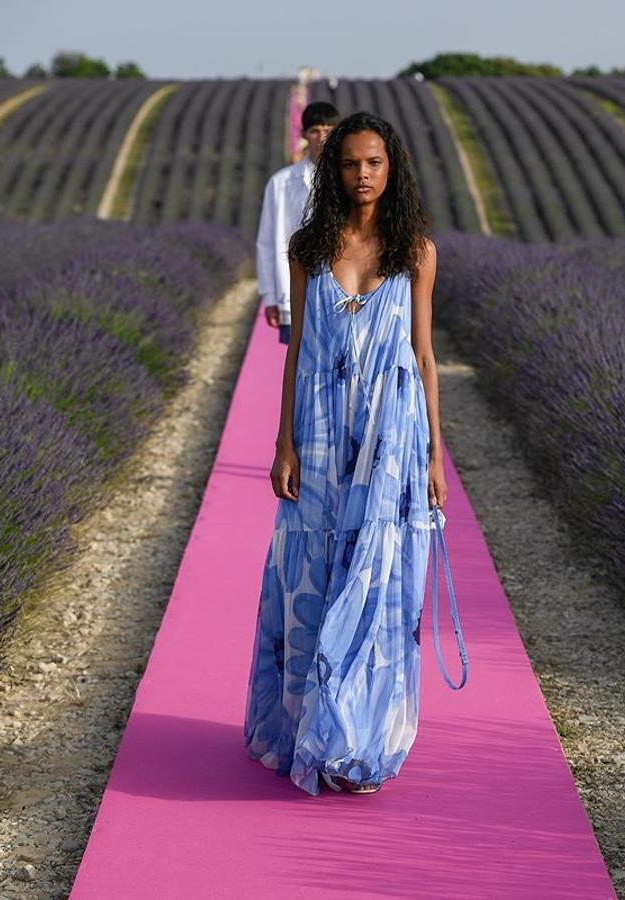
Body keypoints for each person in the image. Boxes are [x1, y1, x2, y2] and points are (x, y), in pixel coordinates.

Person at [244, 111, 447, 796]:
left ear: (393, 170)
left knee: (378, 583)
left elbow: (423, 355)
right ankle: (309, 727)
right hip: (322, 439)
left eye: (374, 163)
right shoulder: (309, 248)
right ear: (333, 170)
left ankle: (358, 743)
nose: (362, 175)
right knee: (312, 580)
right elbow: (297, 353)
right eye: (351, 163)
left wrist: (435, 456)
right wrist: (283, 443)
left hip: (391, 439)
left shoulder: (415, 251)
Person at [255, 101, 340, 345]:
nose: (322, 138)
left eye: (329, 130)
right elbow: (267, 242)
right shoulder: (281, 183)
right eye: (315, 131)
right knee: (300, 367)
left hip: (342, 294)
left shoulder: (351, 180)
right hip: (296, 292)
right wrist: (270, 296)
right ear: (304, 135)